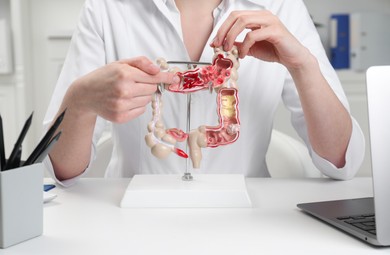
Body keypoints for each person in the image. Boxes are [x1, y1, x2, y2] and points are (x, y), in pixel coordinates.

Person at [43, 0, 365, 186]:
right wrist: (80, 99)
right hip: (135, 222)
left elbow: (341, 162)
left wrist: (303, 65)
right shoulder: (107, 8)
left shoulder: (280, 5)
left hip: (248, 224)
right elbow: (60, 172)